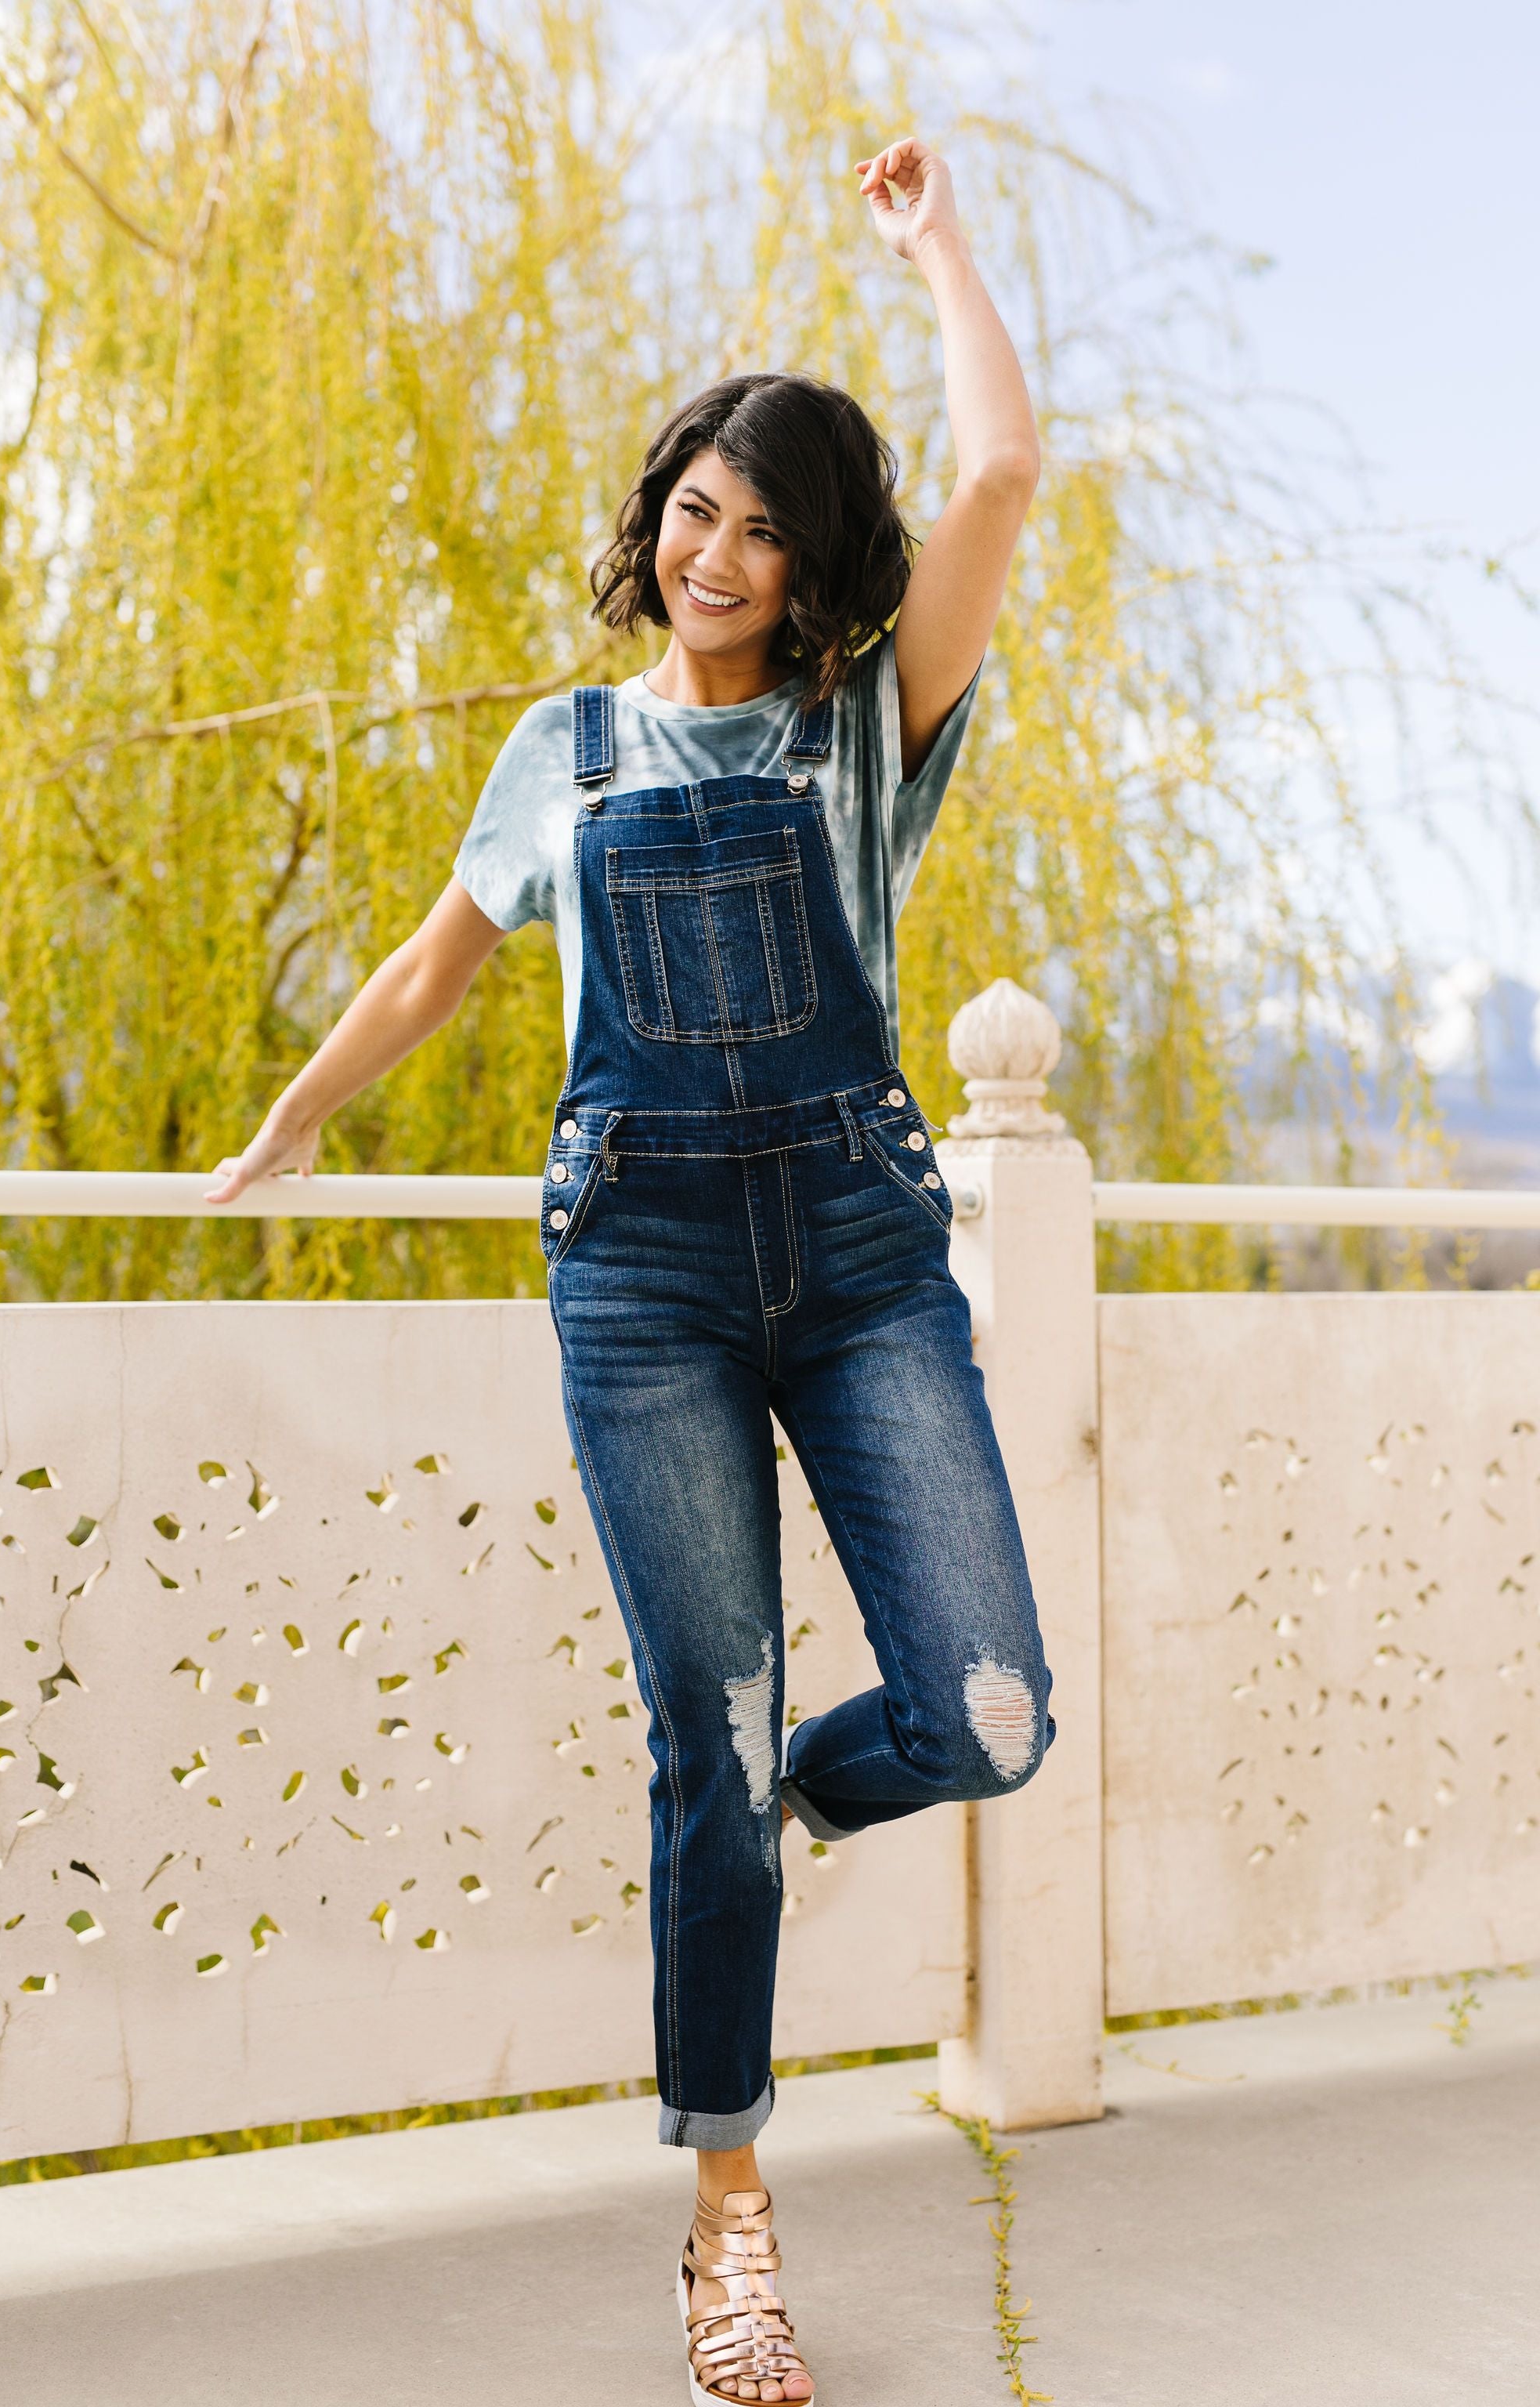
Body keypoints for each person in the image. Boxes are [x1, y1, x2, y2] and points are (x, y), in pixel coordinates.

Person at [209, 136, 1050, 2407]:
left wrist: (937, 249)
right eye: (698, 502)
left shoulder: (869, 728)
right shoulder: (558, 752)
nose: (721, 551)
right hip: (645, 1282)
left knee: (989, 1709)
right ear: (656, 508)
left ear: (817, 564)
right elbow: (429, 967)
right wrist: (293, 1124)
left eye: (770, 523)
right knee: (711, 1718)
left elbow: (1000, 468)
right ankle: (732, 2225)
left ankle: (770, 1795)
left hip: (869, 1262)